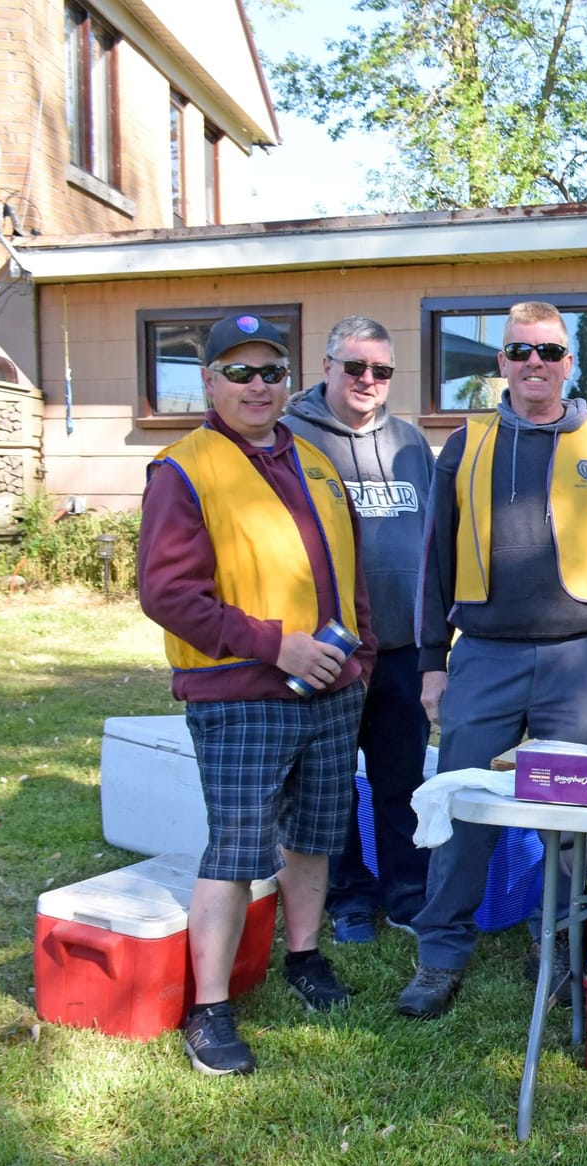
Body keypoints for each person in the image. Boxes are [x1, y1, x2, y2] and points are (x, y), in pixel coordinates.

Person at [400, 300, 587, 1018]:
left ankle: (560, 947)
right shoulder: (464, 445)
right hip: (482, 659)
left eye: (548, 352)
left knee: (570, 818)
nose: (533, 364)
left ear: (571, 363)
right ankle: (440, 952)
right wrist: (432, 660)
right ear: (501, 364)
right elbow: (433, 562)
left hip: (578, 662)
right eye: (518, 352)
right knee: (462, 807)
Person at [138, 312, 374, 1075]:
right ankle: (210, 1009)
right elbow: (169, 596)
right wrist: (277, 645)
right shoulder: (182, 470)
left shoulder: (314, 461)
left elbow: (348, 575)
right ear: (208, 381)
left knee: (315, 835)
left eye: (270, 371)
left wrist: (357, 652)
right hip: (240, 693)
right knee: (237, 850)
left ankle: (302, 958)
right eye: (238, 372)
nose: (256, 385)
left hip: (331, 688)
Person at [284, 315, 433, 943]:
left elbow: (435, 542)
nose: (368, 380)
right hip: (331, 650)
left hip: (401, 648)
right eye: (355, 367)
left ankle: (407, 895)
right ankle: (348, 898)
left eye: (381, 370)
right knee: (329, 785)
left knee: (402, 780)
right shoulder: (290, 440)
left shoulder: (410, 444)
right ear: (326, 368)